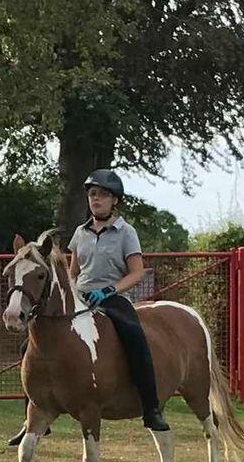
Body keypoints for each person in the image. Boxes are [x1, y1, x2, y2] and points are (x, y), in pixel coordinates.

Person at [67, 169, 169, 433]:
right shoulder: (80, 233)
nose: (96, 199)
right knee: (33, 340)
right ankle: (32, 416)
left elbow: (137, 272)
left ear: (114, 201)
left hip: (112, 299)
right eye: (92, 194)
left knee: (135, 337)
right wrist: (72, 292)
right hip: (81, 299)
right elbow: (73, 271)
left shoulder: (126, 232)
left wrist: (108, 290)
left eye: (102, 195)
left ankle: (151, 409)